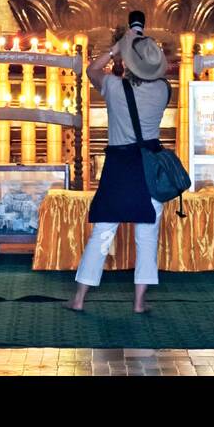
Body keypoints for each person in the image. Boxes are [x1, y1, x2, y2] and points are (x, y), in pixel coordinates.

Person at [68, 16, 170, 313]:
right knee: (147, 236)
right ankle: (139, 302)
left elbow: (90, 70)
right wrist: (130, 48)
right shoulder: (164, 90)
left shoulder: (114, 88)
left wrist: (117, 48)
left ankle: (78, 299)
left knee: (102, 233)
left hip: (119, 168)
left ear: (127, 60)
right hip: (149, 168)